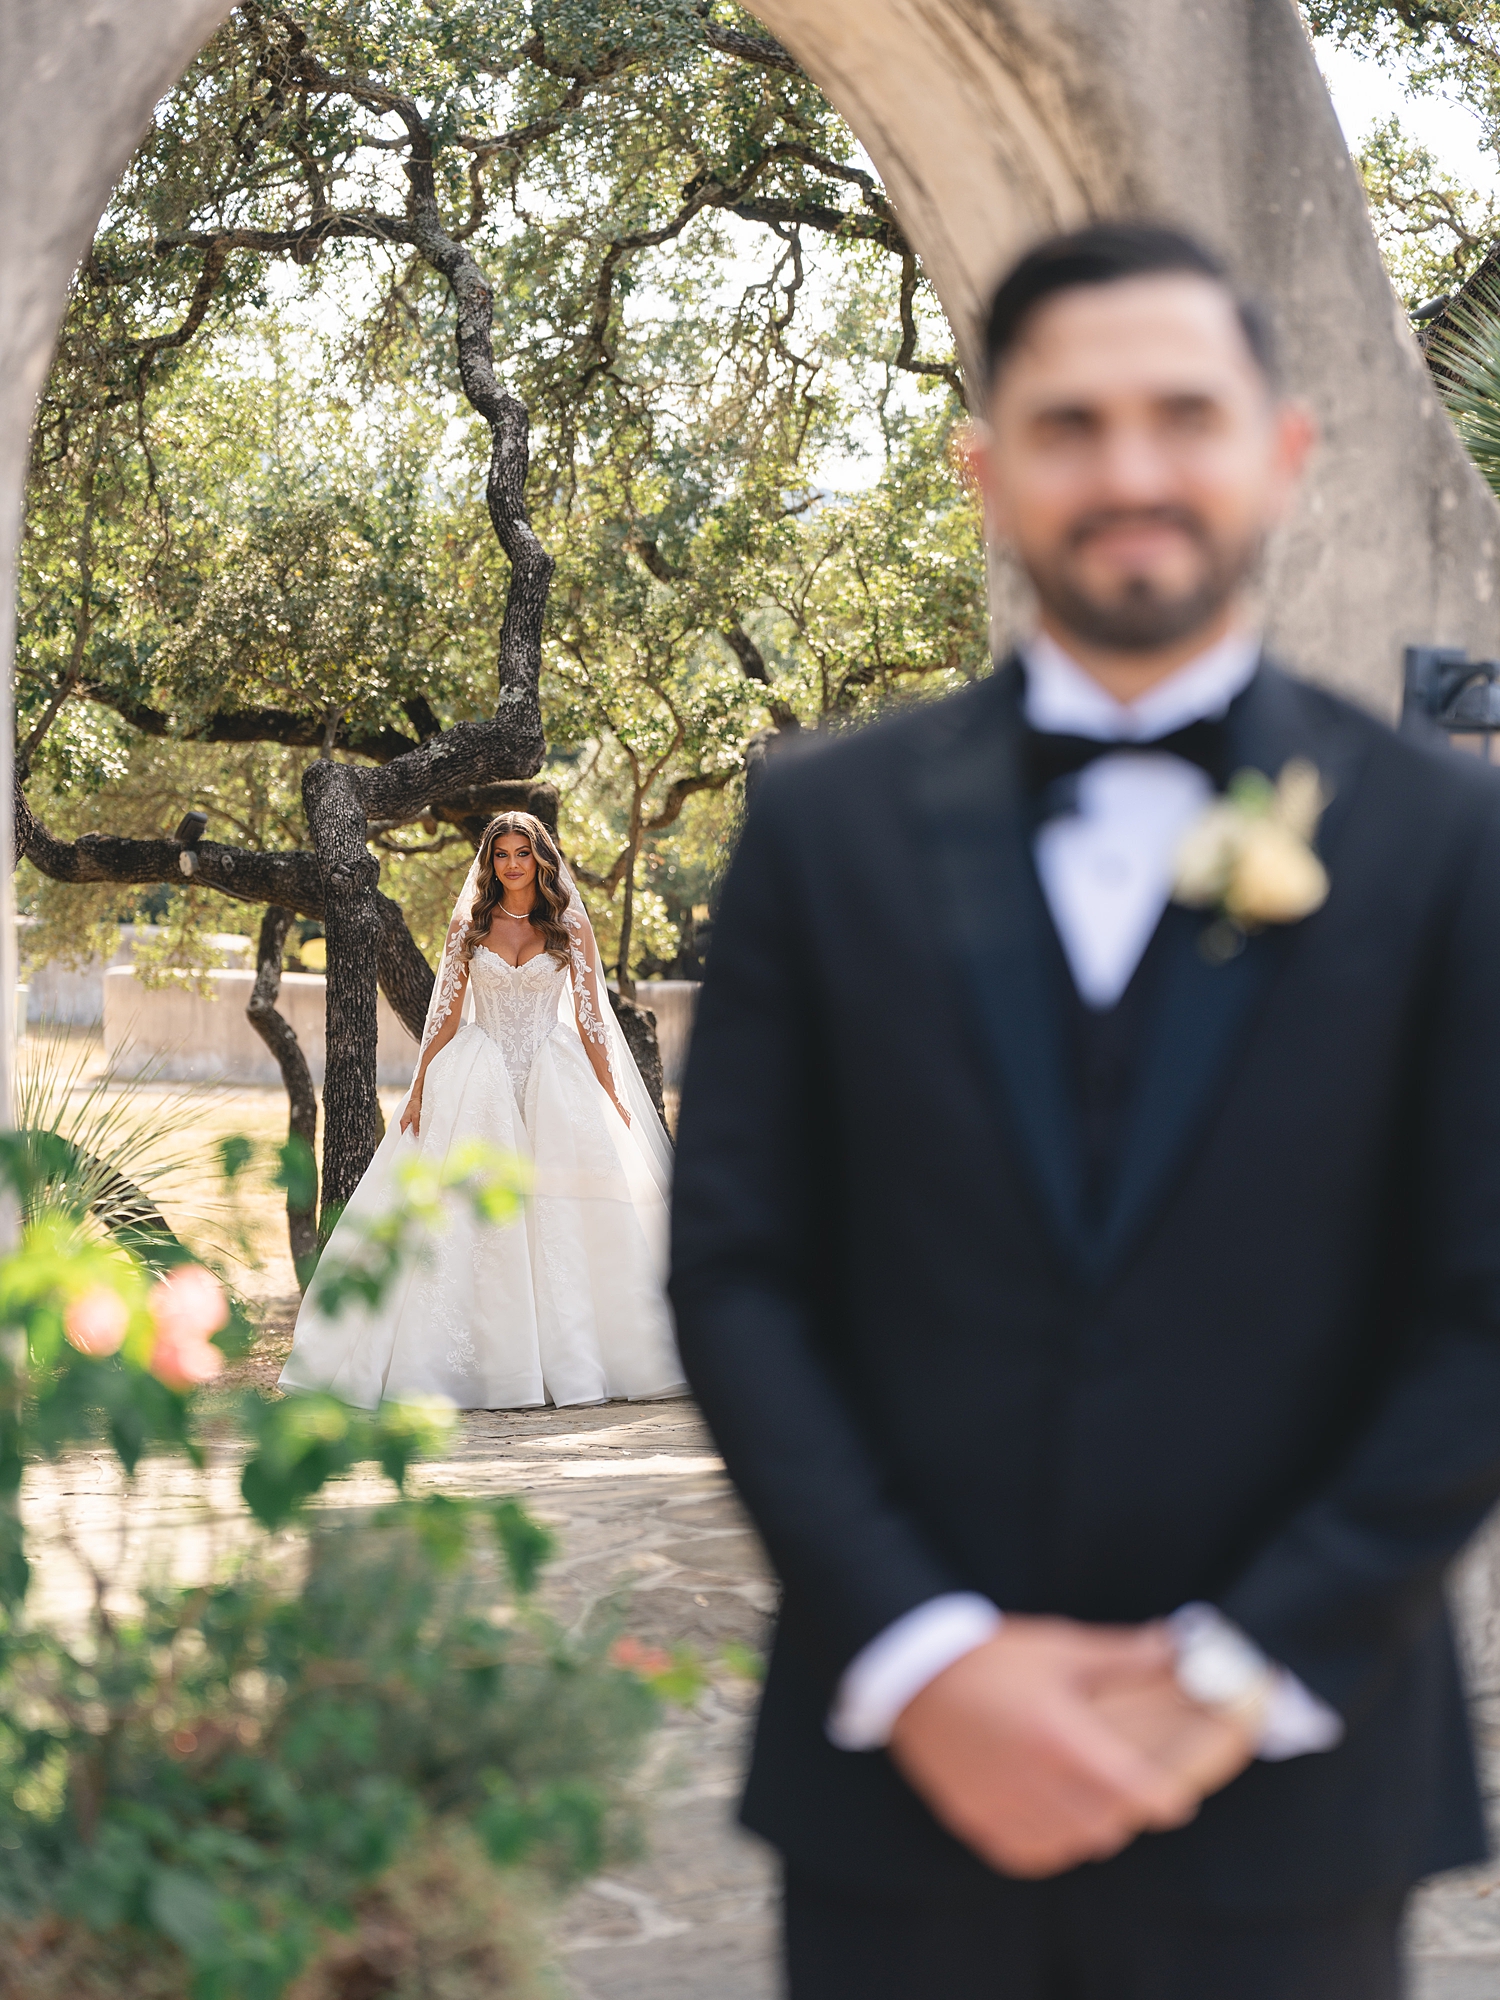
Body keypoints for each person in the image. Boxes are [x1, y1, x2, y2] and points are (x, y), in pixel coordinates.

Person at [669, 221, 1500, 1998]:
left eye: (1183, 415)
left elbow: (1483, 1304)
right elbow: (739, 1271)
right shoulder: (821, 829)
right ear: (987, 469)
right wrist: (926, 1654)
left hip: (1294, 1783)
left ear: (1281, 449)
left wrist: (1239, 1671)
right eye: (1070, 424)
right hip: (905, 1795)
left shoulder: (1448, 849)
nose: (1131, 472)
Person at [281, 810, 685, 1410]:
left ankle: (574, 1362)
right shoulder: (471, 925)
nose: (513, 864)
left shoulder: (569, 926)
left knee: (564, 1216)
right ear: (490, 862)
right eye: (502, 854)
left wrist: (614, 1093)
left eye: (524, 853)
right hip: (480, 1080)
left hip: (553, 1079)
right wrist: (419, 1088)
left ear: (541, 859)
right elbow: (443, 1016)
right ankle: (485, 1367)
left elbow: (593, 1020)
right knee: (472, 1218)